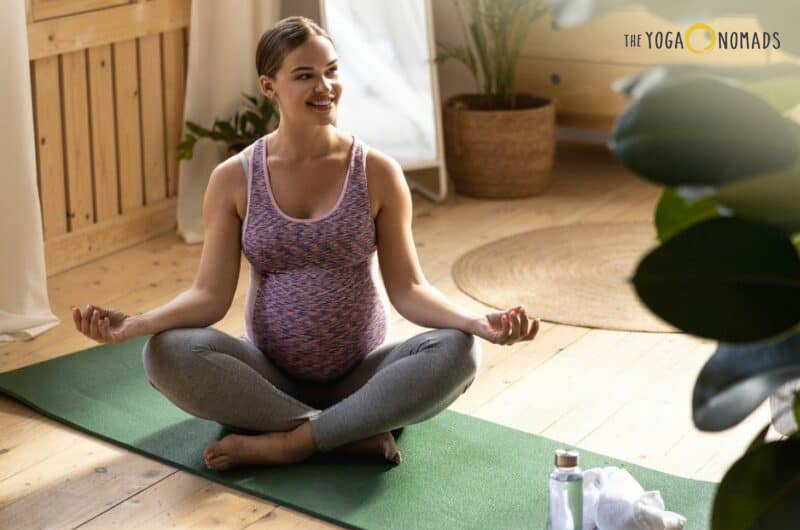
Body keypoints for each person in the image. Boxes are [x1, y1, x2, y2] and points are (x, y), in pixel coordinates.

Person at [71, 16, 540, 472]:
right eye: (305, 75)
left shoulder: (377, 173)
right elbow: (209, 296)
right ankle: (342, 433)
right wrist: (137, 323)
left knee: (458, 351)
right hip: (266, 377)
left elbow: (410, 290)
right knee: (165, 353)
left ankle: (294, 442)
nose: (325, 87)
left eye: (332, 71)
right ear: (269, 87)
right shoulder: (234, 178)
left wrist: (477, 322)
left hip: (362, 376)